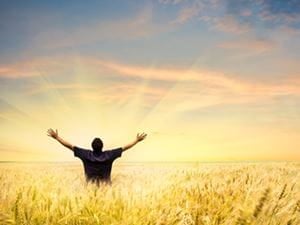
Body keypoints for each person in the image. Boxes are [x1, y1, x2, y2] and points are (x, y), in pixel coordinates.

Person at [47, 128, 147, 185]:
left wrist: (57, 137)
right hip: (107, 190)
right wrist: (136, 141)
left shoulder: (85, 154)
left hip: (90, 189)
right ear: (102, 146)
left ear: (92, 146)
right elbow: (125, 148)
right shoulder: (110, 154)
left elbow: (69, 146)